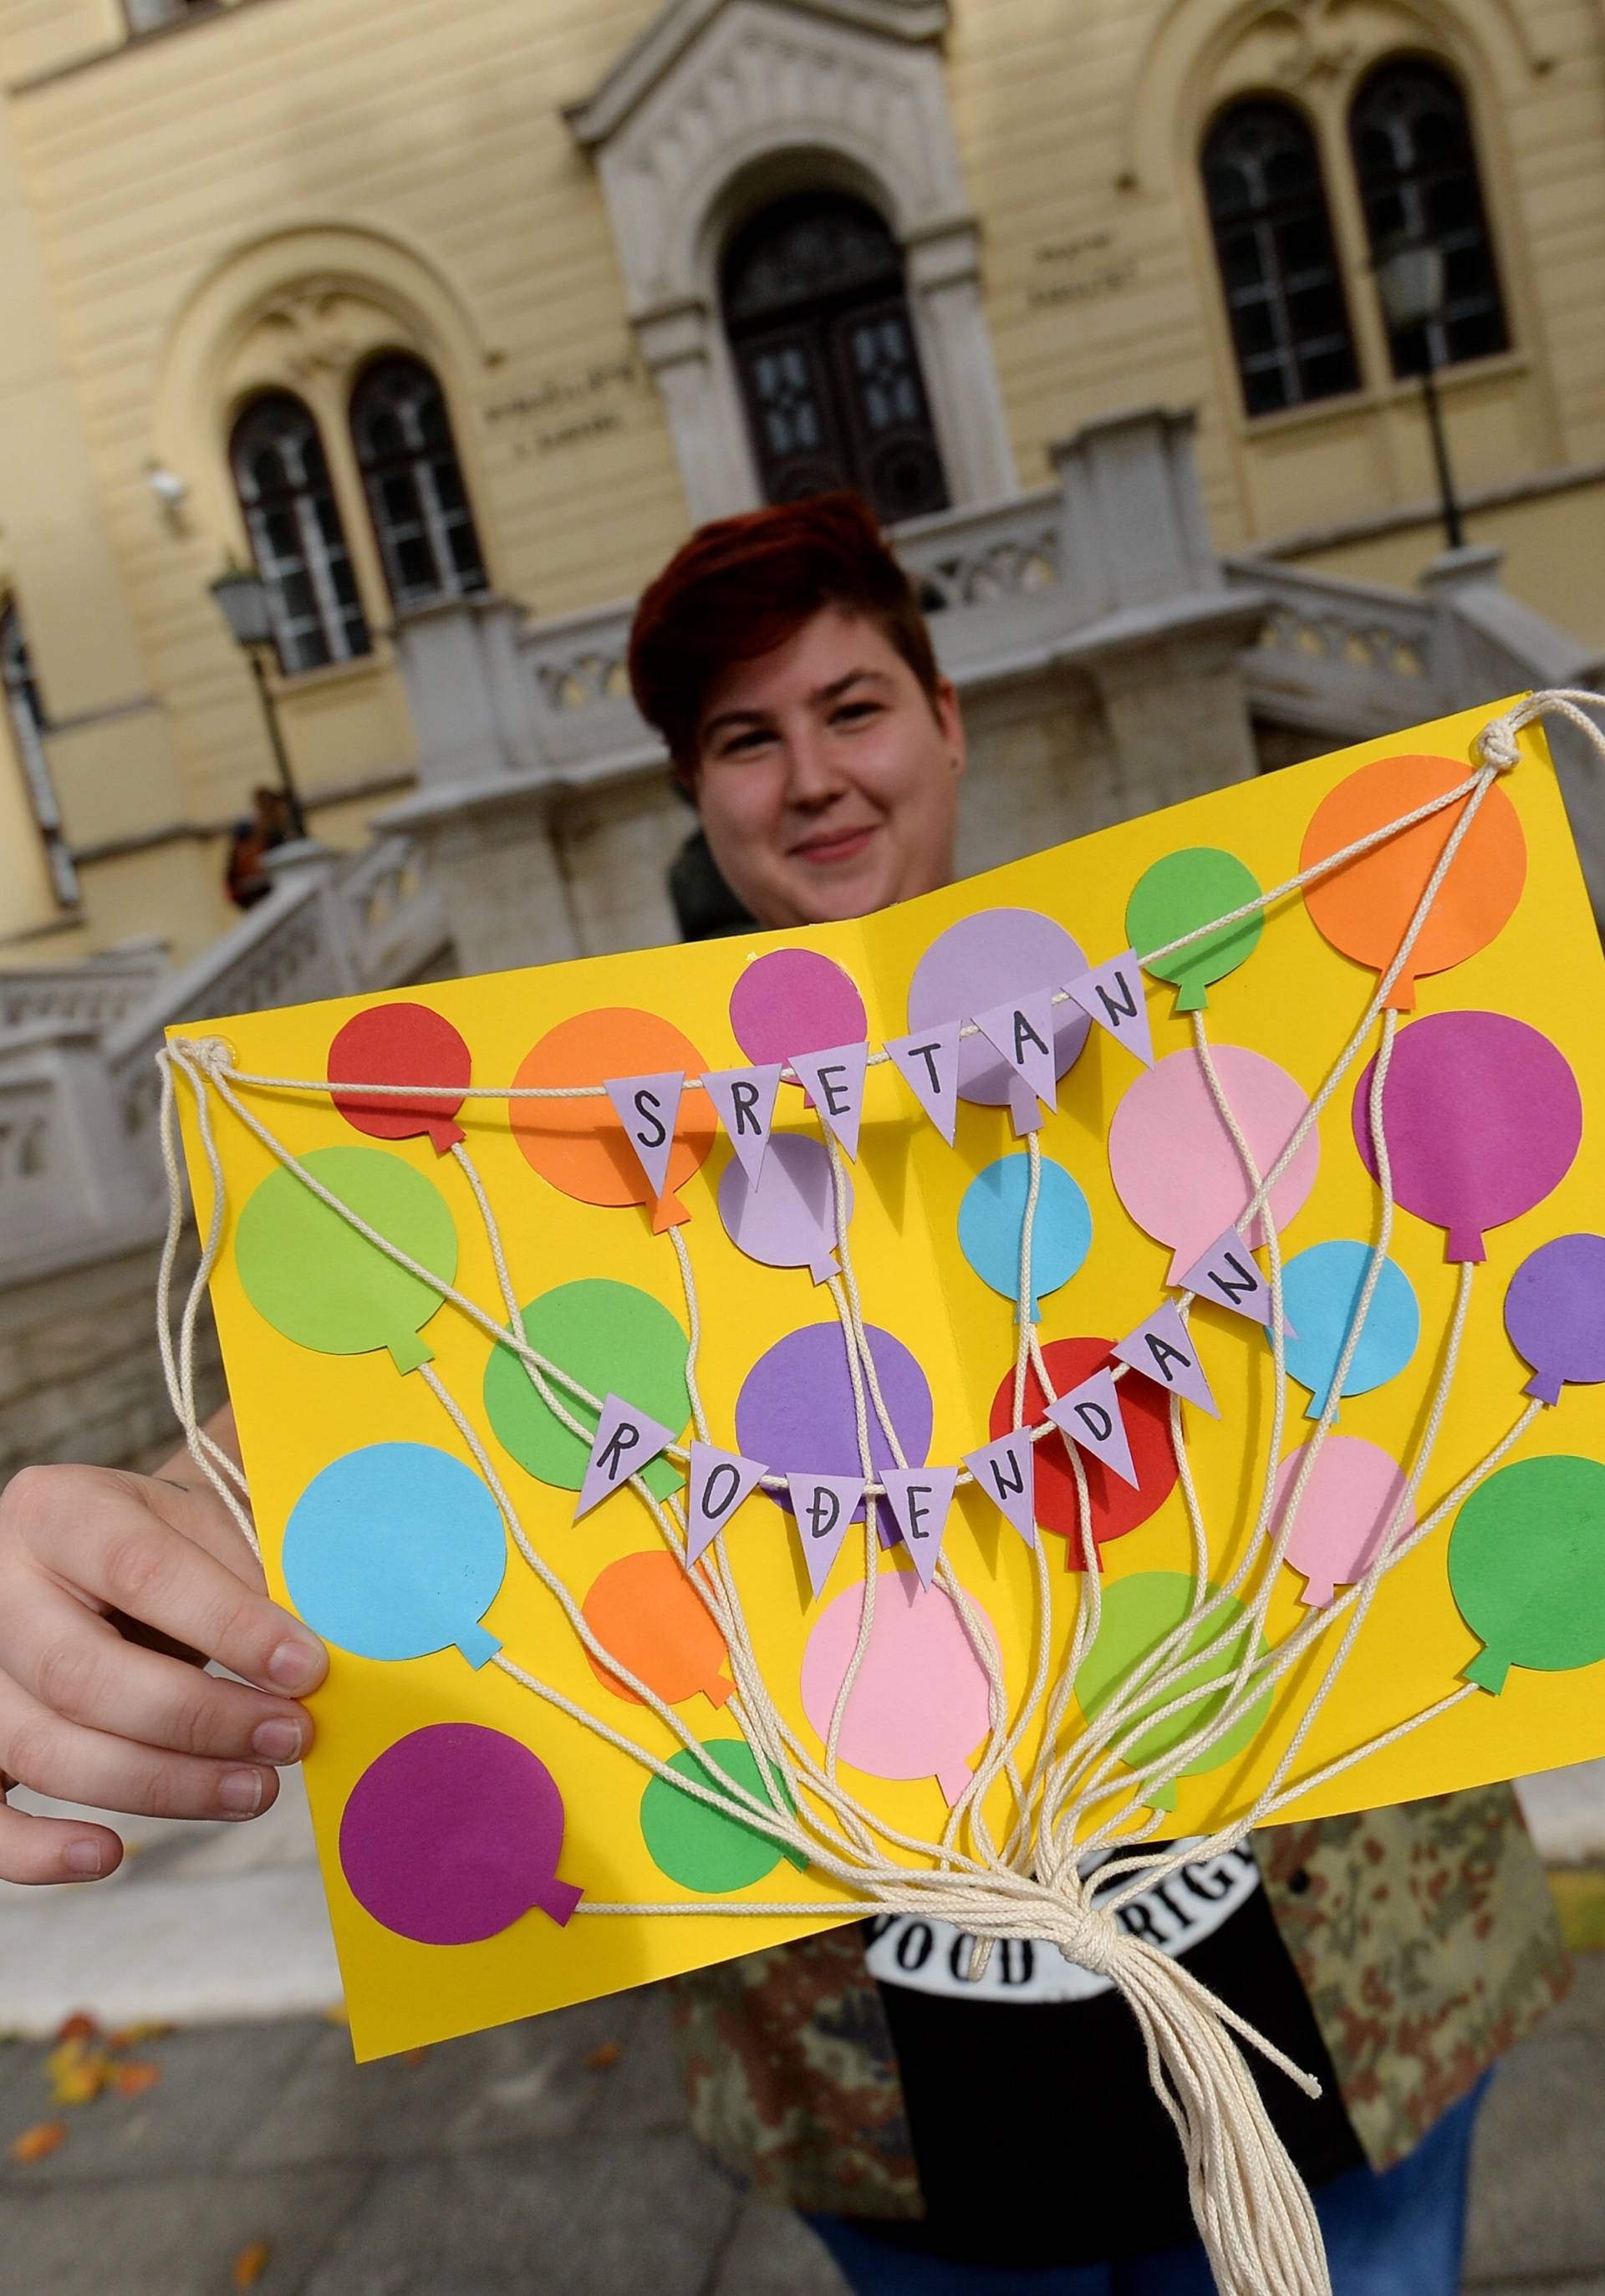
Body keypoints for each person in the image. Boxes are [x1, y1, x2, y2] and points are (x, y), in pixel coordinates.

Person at [0, 496, 1565, 2294]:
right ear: (697, 793)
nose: (811, 774)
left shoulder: (1231, 1007)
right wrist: (166, 1533)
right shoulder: (573, 1153)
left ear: (949, 719)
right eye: (747, 739)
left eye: (852, 706)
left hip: (1347, 1987)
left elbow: (1455, 1242)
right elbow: (397, 1416)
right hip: (896, 2093)